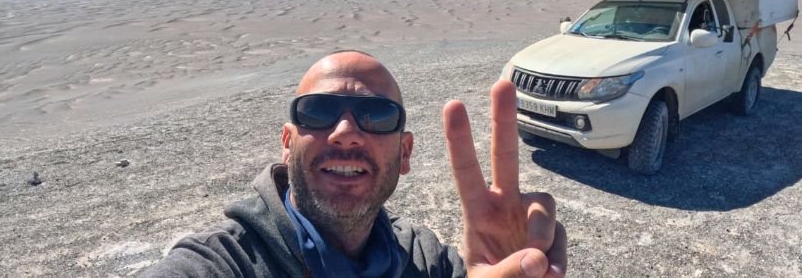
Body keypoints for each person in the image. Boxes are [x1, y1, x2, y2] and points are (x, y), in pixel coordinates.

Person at [142, 51, 566, 277]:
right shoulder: (227, 262)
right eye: (317, 111)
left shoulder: (426, 262)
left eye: (377, 116)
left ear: (405, 154)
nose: (346, 131)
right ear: (287, 145)